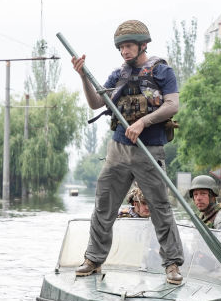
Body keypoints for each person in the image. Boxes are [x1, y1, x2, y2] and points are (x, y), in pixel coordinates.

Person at [71, 19, 184, 284]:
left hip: (149, 148)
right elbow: (96, 102)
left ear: (143, 45)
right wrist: (83, 77)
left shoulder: (161, 71)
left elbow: (172, 105)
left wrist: (143, 122)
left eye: (129, 46)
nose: (125, 51)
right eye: (121, 48)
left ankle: (172, 264)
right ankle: (94, 259)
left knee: (159, 207)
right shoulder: (118, 74)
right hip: (118, 149)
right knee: (104, 205)